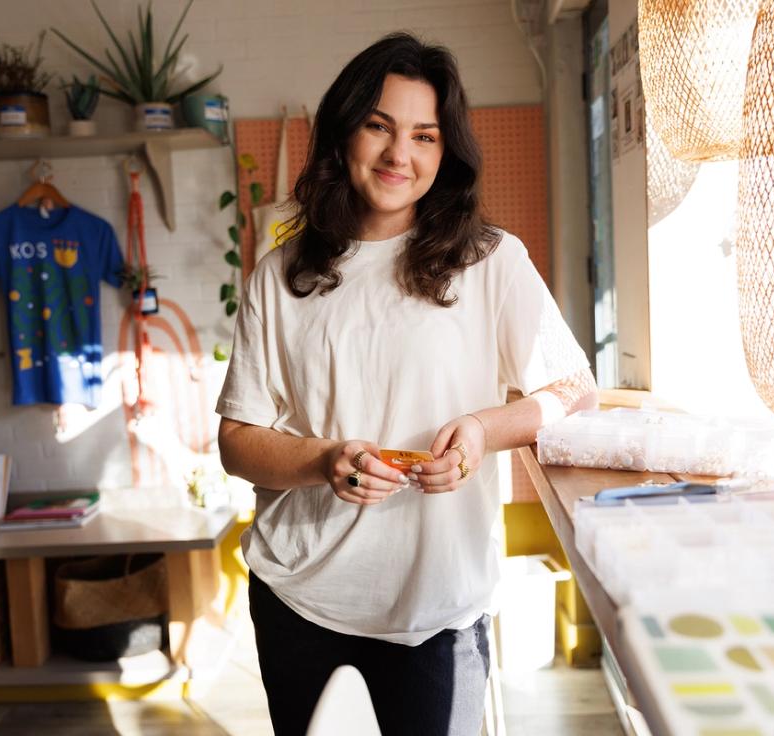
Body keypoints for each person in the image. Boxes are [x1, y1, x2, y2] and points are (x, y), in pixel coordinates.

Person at [216, 32, 597, 736]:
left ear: (445, 151)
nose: (401, 155)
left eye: (425, 136)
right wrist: (326, 461)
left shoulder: (490, 261)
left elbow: (574, 389)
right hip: (300, 593)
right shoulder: (282, 274)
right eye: (379, 127)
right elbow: (237, 442)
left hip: (438, 604)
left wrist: (484, 430)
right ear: (343, 134)